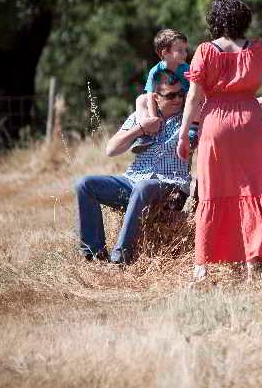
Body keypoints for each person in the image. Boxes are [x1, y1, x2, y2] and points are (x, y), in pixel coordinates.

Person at [177, 0, 262, 280]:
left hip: (215, 126)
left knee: (213, 191)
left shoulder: (205, 51)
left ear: (214, 21)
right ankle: (253, 260)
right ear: (244, 20)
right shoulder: (259, 50)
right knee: (254, 188)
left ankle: (203, 265)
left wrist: (183, 134)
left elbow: (193, 97)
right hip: (251, 125)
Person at [75, 74, 190, 264]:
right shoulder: (140, 117)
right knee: (84, 184)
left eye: (181, 94)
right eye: (171, 96)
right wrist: (141, 129)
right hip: (133, 181)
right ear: (155, 97)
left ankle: (121, 257)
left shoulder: (188, 118)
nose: (178, 99)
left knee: (144, 186)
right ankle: (94, 254)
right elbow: (111, 149)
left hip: (170, 185)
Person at [131, 29, 191, 154]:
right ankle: (146, 133)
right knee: (140, 99)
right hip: (163, 105)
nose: (185, 54)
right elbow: (150, 96)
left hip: (183, 103)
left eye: (185, 50)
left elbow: (194, 92)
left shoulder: (186, 69)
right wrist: (154, 119)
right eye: (180, 50)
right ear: (165, 53)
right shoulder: (155, 71)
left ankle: (193, 131)